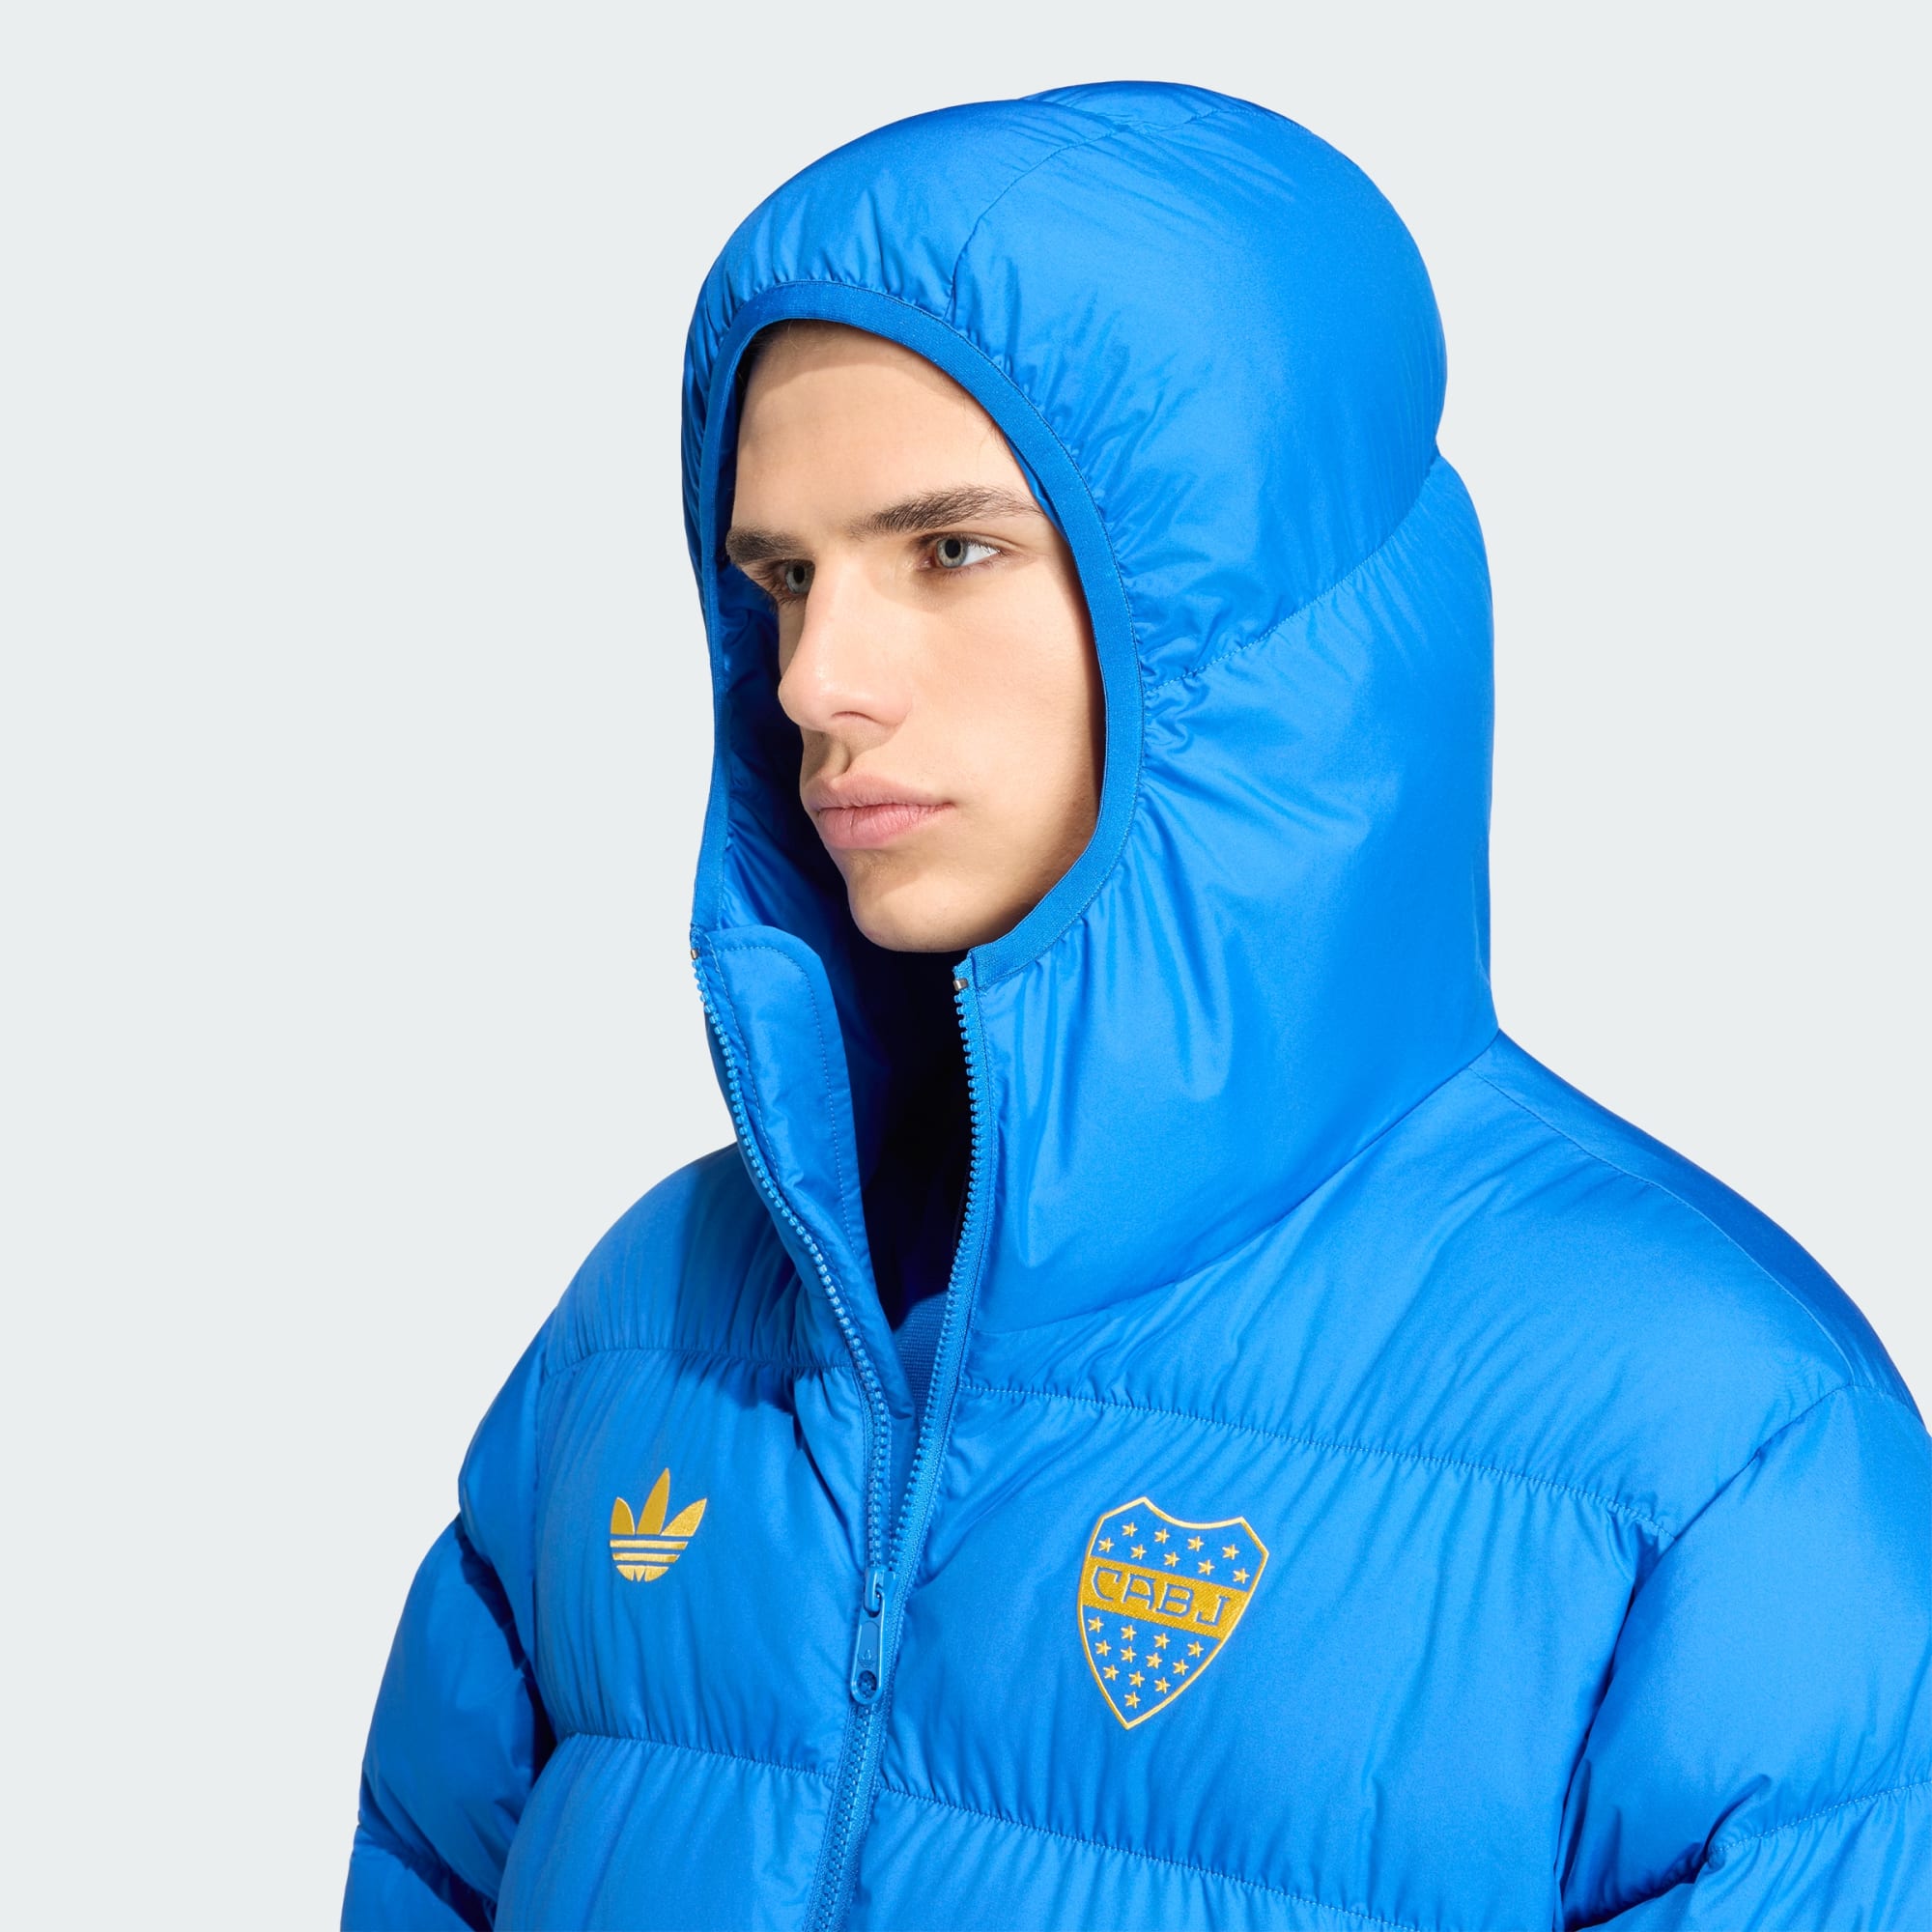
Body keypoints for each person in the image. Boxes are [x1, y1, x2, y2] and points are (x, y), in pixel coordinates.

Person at [342, 80, 1931, 1930]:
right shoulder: (648, 1328)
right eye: (781, 577)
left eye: (949, 551)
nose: (816, 680)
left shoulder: (1710, 1442)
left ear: (1241, 626)